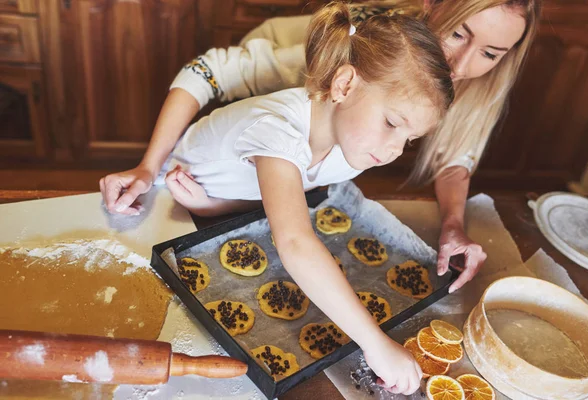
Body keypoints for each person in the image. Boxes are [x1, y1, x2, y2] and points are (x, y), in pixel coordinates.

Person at [100, 0, 540, 296]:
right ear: (432, 5)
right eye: (459, 34)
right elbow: (209, 72)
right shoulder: (353, 51)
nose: (462, 65)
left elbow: (456, 158)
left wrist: (453, 223)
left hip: (255, 182)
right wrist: (148, 165)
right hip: (234, 137)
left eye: (490, 53)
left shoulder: (366, 140)